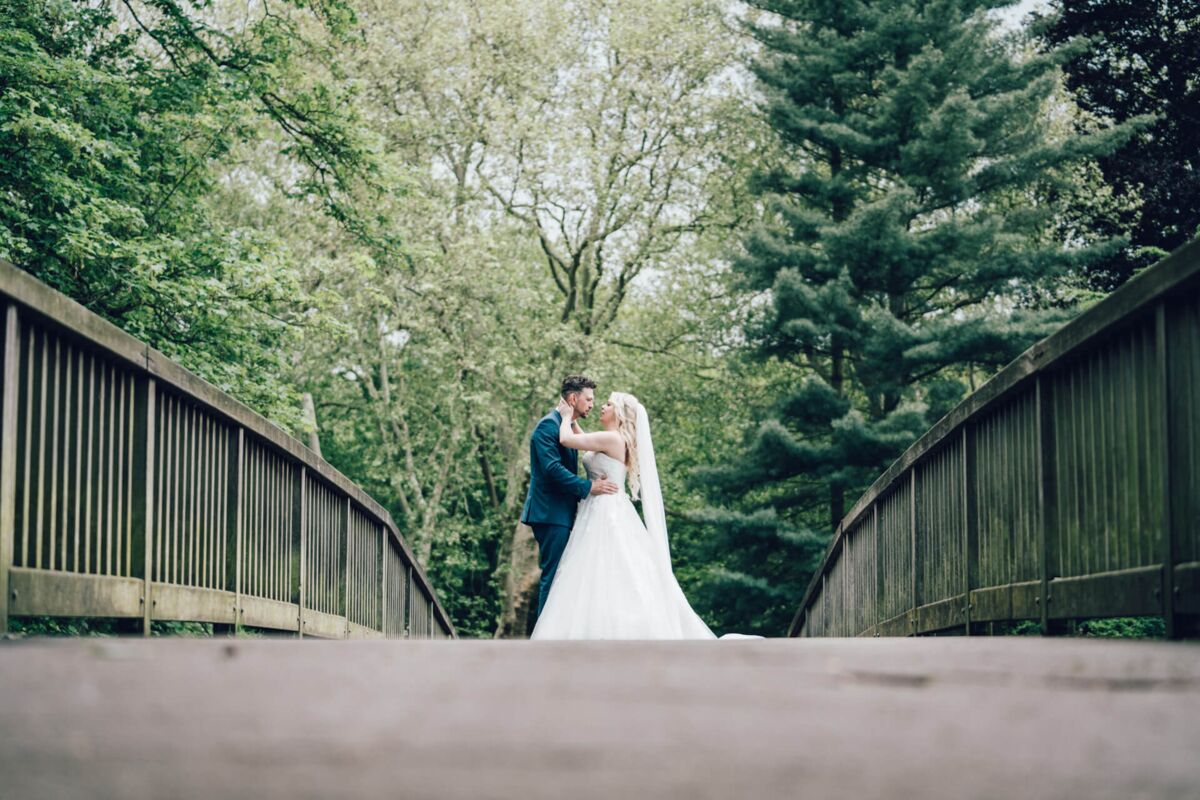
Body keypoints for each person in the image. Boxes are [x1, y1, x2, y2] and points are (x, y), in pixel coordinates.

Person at [530, 390, 716, 640]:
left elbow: (565, 439)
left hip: (606, 510)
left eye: (607, 404)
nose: (601, 407)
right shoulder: (607, 438)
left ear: (619, 413)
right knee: (593, 569)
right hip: (596, 508)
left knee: (607, 567)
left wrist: (564, 415)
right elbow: (584, 441)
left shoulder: (612, 439)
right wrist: (573, 414)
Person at [520, 375, 618, 617]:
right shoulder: (548, 426)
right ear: (573, 398)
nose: (592, 404)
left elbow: (585, 444)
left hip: (563, 512)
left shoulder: (565, 426)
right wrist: (588, 487)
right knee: (553, 576)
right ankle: (544, 642)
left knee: (564, 577)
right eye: (588, 399)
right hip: (550, 513)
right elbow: (552, 469)